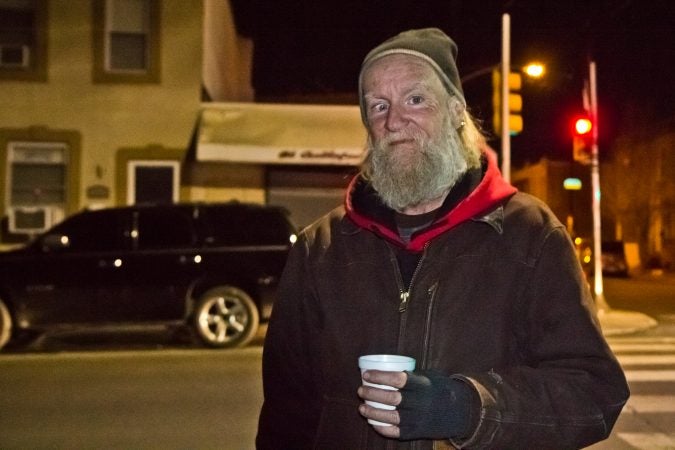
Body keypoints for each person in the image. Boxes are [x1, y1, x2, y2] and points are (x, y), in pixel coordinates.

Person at [256, 28, 629, 449]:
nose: (395, 121)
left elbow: (595, 393)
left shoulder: (529, 234)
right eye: (379, 107)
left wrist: (468, 408)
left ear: (456, 111)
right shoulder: (320, 248)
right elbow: (286, 416)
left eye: (415, 99)